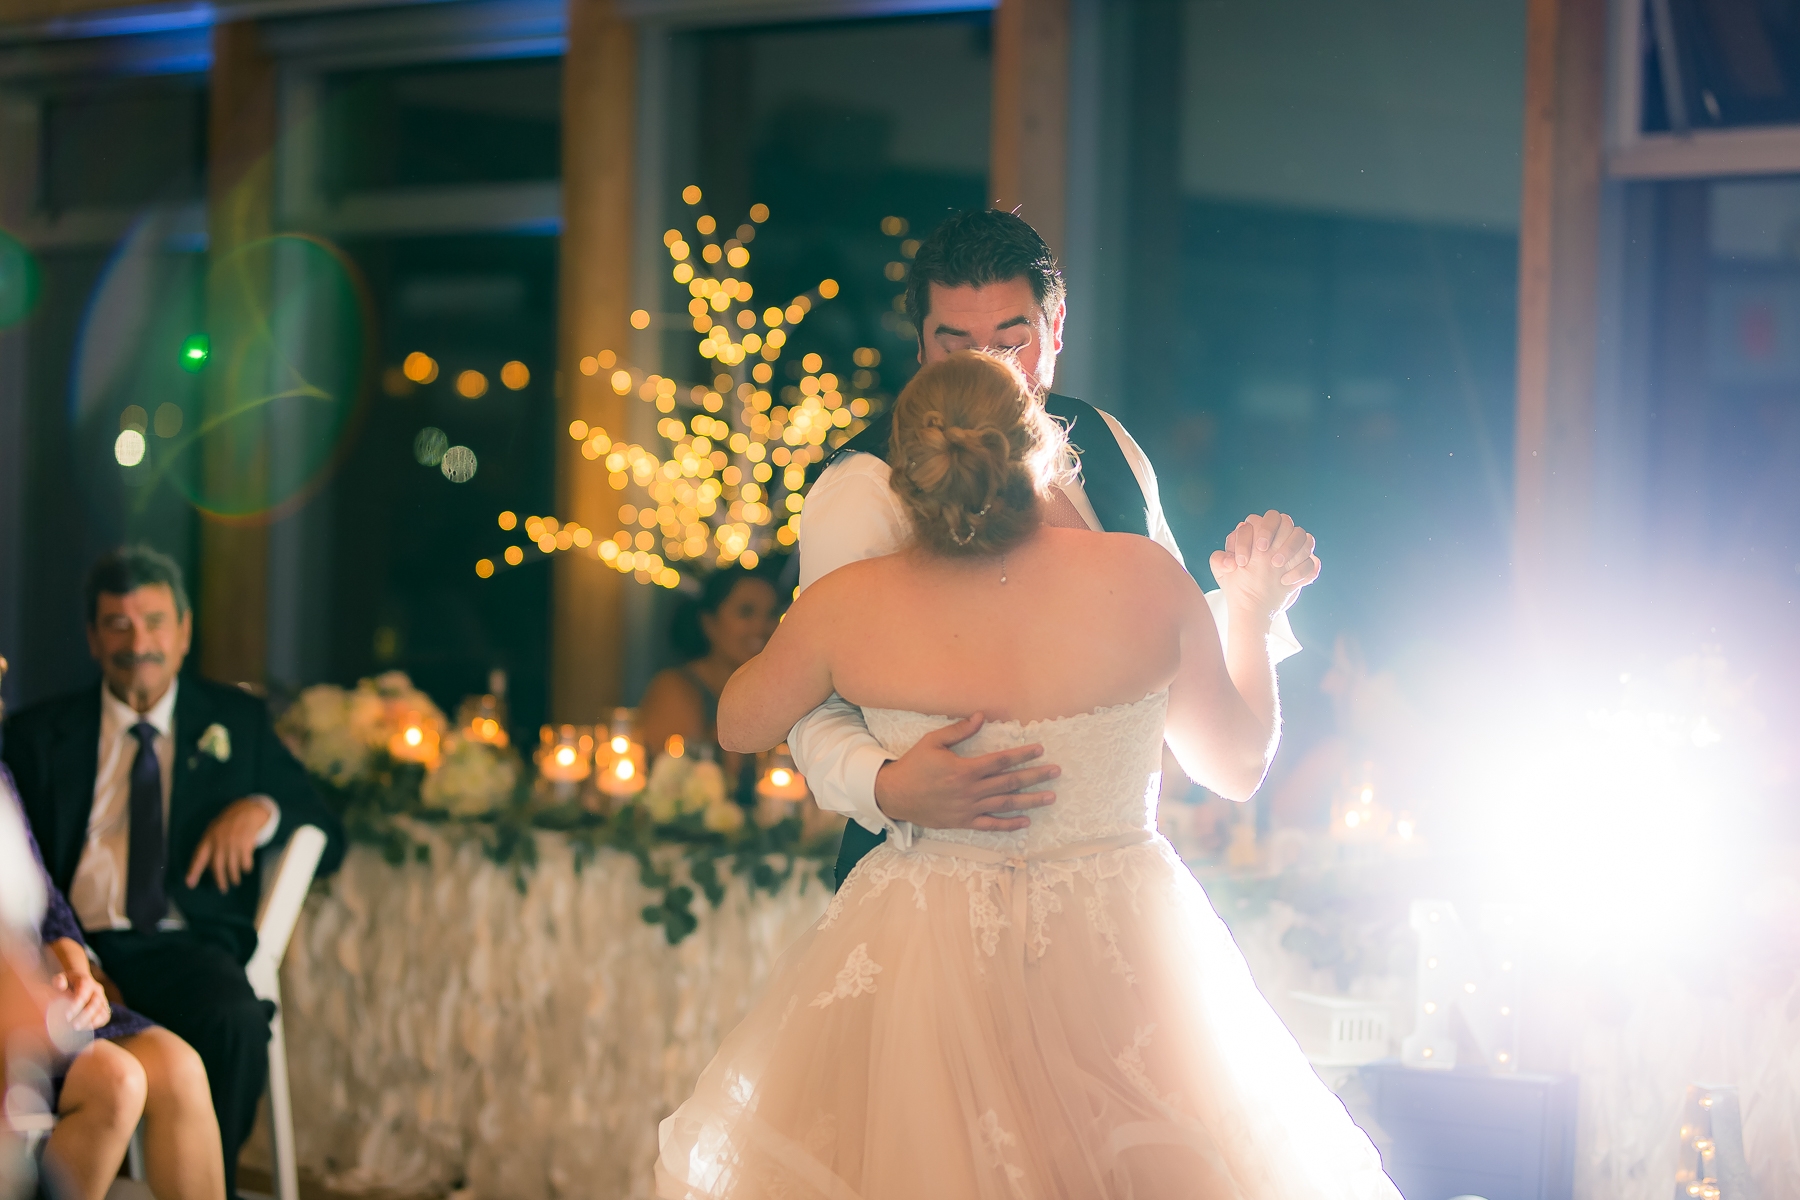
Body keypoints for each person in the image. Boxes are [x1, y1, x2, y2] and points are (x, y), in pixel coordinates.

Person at [654, 351, 1398, 1198]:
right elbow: (1235, 768)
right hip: (1123, 945)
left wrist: (835, 656)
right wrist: (1256, 617)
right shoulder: (1143, 577)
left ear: (905, 475)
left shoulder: (851, 602)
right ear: (1045, 452)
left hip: (920, 947)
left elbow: (740, 719)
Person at [789, 209, 1322, 888]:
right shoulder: (864, 486)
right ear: (921, 345)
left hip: (1103, 881)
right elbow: (811, 699)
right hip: (927, 880)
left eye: (1014, 342)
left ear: (1057, 326)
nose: (992, 370)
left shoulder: (1109, 444)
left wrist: (1254, 601)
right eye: (958, 346)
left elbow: (1163, 642)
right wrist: (886, 784)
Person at [2, 547, 346, 1200]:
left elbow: (328, 832)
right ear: (92, 636)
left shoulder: (237, 724)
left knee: (233, 1017)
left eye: (155, 622)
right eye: (118, 625)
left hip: (179, 941)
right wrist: (68, 951)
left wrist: (262, 808)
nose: (139, 644)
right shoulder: (38, 733)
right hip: (77, 940)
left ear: (184, 633)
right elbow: (24, 867)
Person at [0, 656, 224, 1200]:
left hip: (37, 991)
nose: (5, 664)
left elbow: (46, 902)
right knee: (119, 1082)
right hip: (14, 1007)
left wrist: (81, 977)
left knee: (180, 1066)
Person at [638, 566, 782, 806]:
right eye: (746, 613)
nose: (761, 627)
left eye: (771, 615)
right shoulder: (676, 688)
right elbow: (677, 792)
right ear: (709, 623)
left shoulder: (780, 693)